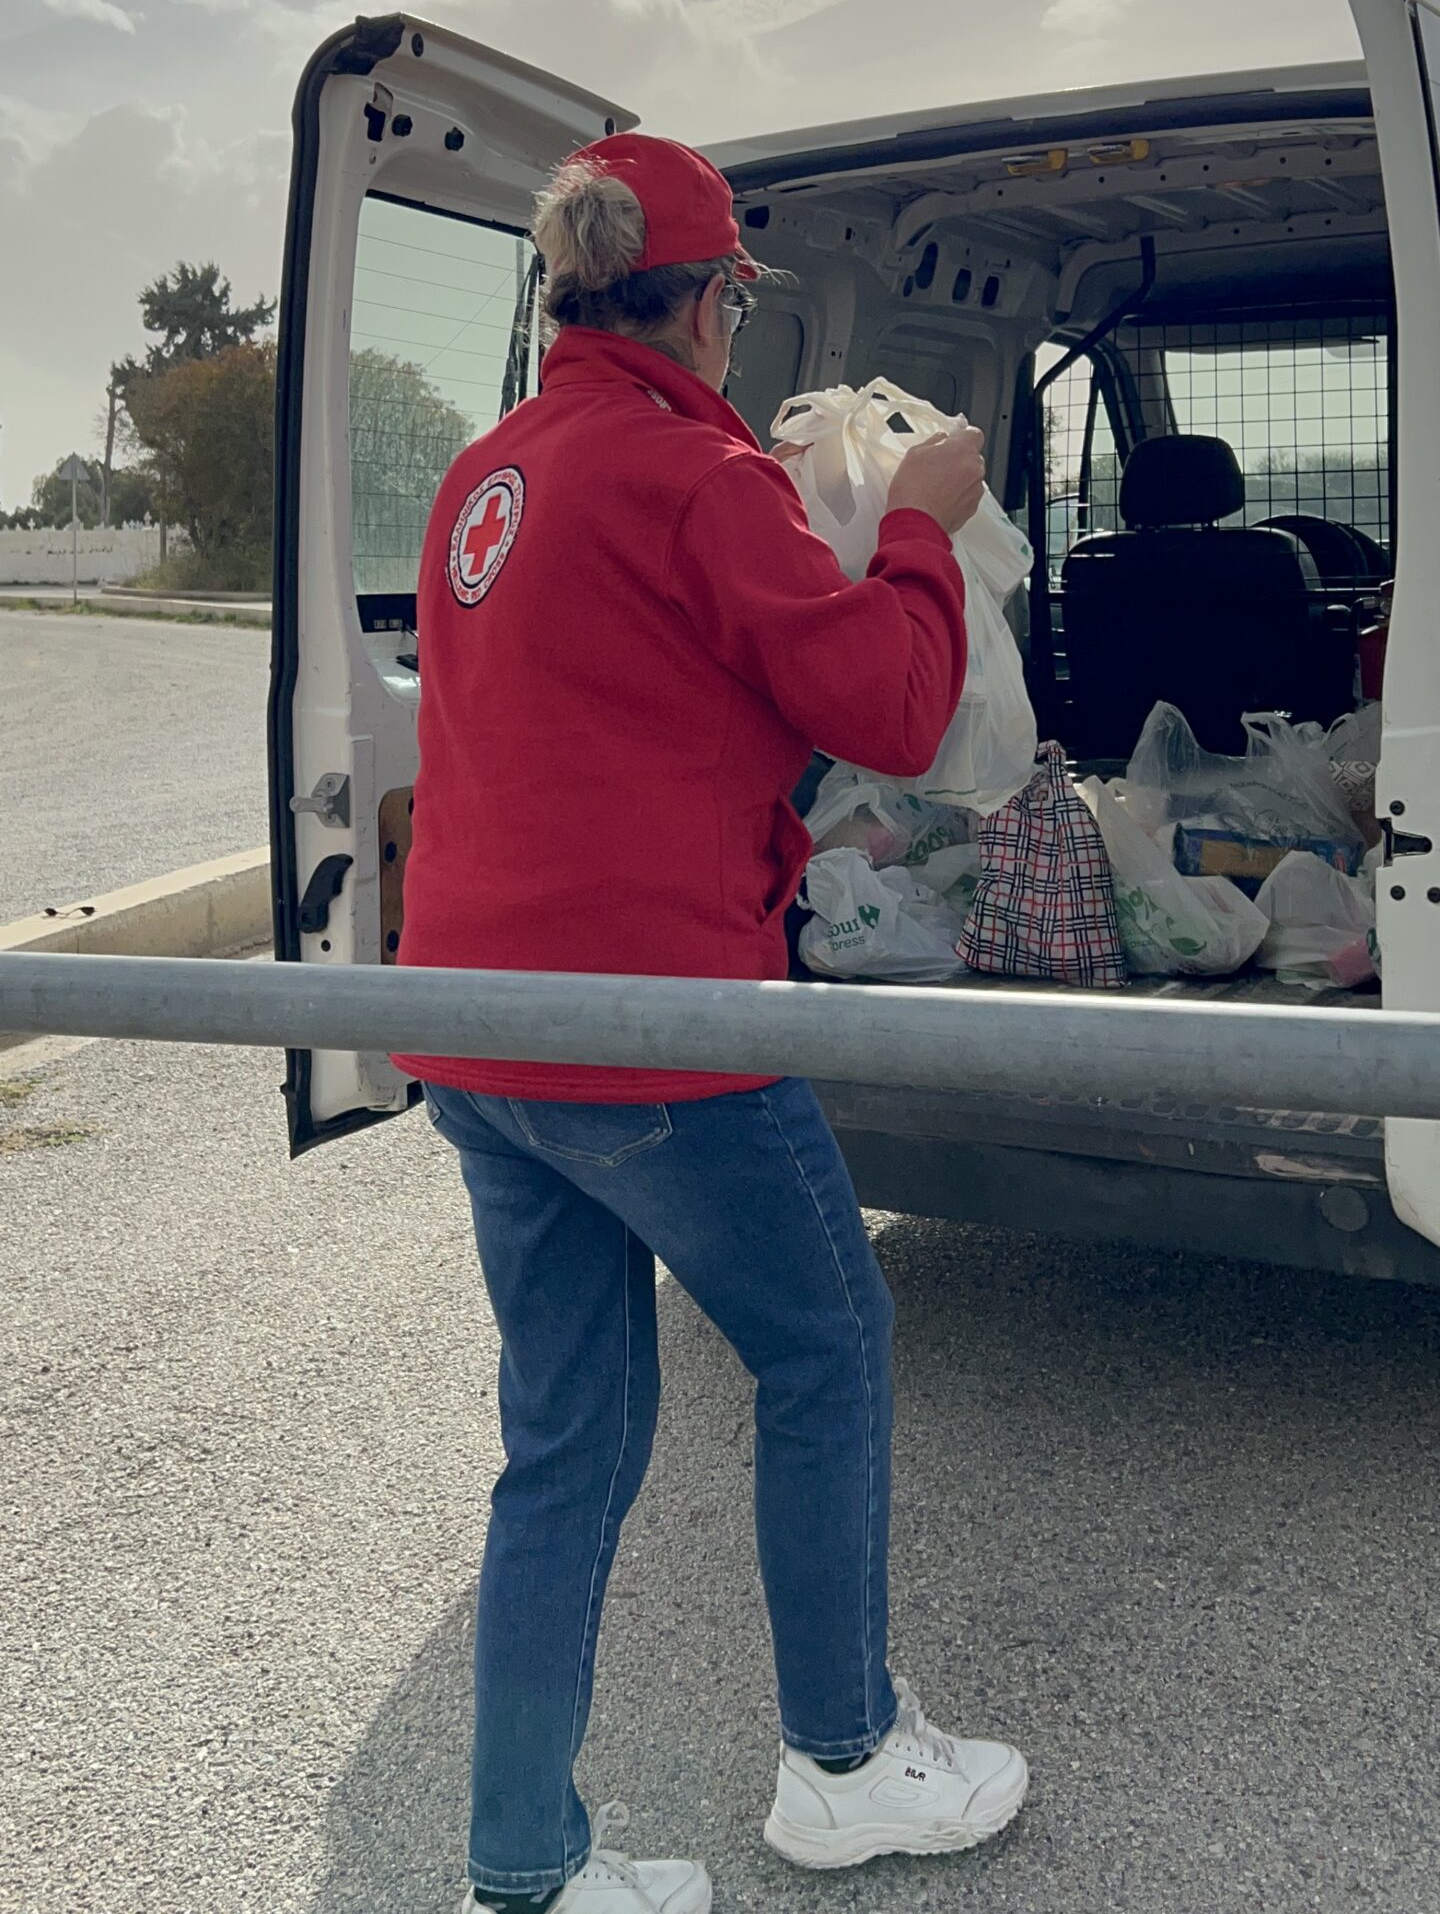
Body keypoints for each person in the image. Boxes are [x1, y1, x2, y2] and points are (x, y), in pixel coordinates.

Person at [396, 133, 1028, 1914]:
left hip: (469, 1032)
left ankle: (521, 1866)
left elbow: (602, 714)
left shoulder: (480, 480)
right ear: (719, 298)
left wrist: (759, 805)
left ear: (564, 289)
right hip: (655, 1037)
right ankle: (843, 1763)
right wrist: (921, 519)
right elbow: (904, 710)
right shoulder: (701, 472)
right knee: (826, 1349)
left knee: (568, 1446)